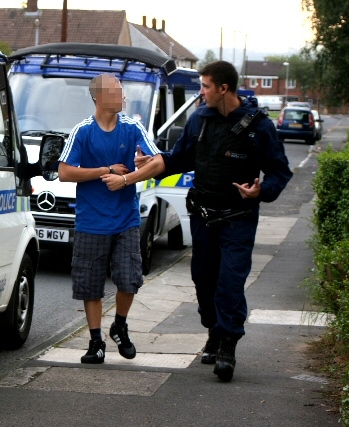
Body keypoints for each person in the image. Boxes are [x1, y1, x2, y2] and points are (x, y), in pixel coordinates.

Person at [103, 61, 293, 381]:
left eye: (205, 87)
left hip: (238, 219)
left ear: (223, 88)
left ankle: (228, 345)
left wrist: (262, 190)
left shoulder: (258, 126)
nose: (200, 92)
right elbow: (180, 158)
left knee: (230, 283)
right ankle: (214, 331)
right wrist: (154, 161)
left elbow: (280, 172)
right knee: (204, 282)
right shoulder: (199, 120)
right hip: (204, 217)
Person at [58, 73, 161, 364]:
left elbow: (157, 161)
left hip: (126, 220)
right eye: (117, 92)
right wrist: (103, 170)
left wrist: (127, 178)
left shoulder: (132, 127)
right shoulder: (83, 131)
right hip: (91, 221)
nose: (123, 97)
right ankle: (95, 341)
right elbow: (64, 172)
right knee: (90, 284)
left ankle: (120, 325)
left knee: (129, 280)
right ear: (100, 98)